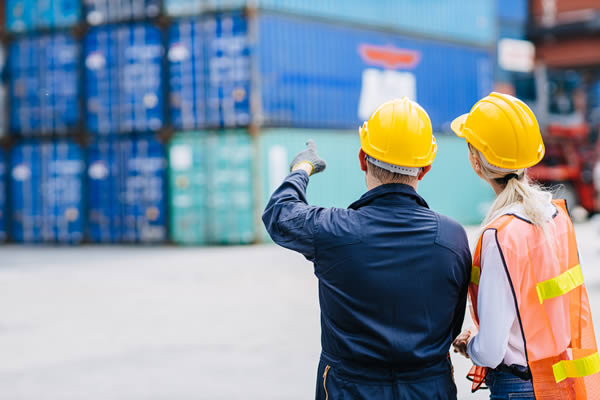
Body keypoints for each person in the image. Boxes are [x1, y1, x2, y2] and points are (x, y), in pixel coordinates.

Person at [262, 98, 471, 399]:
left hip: (350, 390)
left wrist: (302, 168)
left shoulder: (333, 230)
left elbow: (279, 214)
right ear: (425, 169)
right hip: (429, 389)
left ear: (362, 158)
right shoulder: (452, 238)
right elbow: (452, 322)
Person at [451, 92, 600, 399]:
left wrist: (470, 346)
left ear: (476, 162)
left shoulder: (500, 233)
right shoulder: (557, 215)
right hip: (559, 385)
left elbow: (491, 352)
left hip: (519, 388)